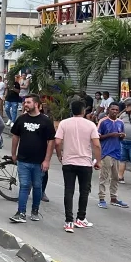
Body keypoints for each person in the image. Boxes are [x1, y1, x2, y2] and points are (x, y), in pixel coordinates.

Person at [55, 100, 101, 233]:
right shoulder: (90, 124)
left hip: (68, 161)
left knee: (68, 191)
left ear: (71, 110)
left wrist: (59, 155)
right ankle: (81, 218)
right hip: (85, 163)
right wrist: (98, 160)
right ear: (83, 111)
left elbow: (57, 142)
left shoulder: (64, 123)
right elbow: (96, 145)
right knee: (84, 191)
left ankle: (68, 221)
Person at [10, 94, 56, 223]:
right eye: (25, 102)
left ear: (36, 104)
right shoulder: (21, 119)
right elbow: (15, 137)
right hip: (23, 160)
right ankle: (21, 212)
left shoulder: (45, 121)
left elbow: (51, 141)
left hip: (39, 161)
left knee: (37, 187)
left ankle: (35, 210)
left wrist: (47, 160)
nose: (25, 105)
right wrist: (14, 154)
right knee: (24, 186)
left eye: (28, 102)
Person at [97, 103, 128, 209]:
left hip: (117, 152)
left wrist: (121, 136)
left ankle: (114, 198)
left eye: (116, 110)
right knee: (104, 176)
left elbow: (122, 136)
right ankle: (101, 198)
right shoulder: (103, 121)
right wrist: (111, 135)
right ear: (108, 110)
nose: (114, 111)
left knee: (115, 177)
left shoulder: (120, 122)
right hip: (106, 152)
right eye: (113, 109)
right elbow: (98, 137)